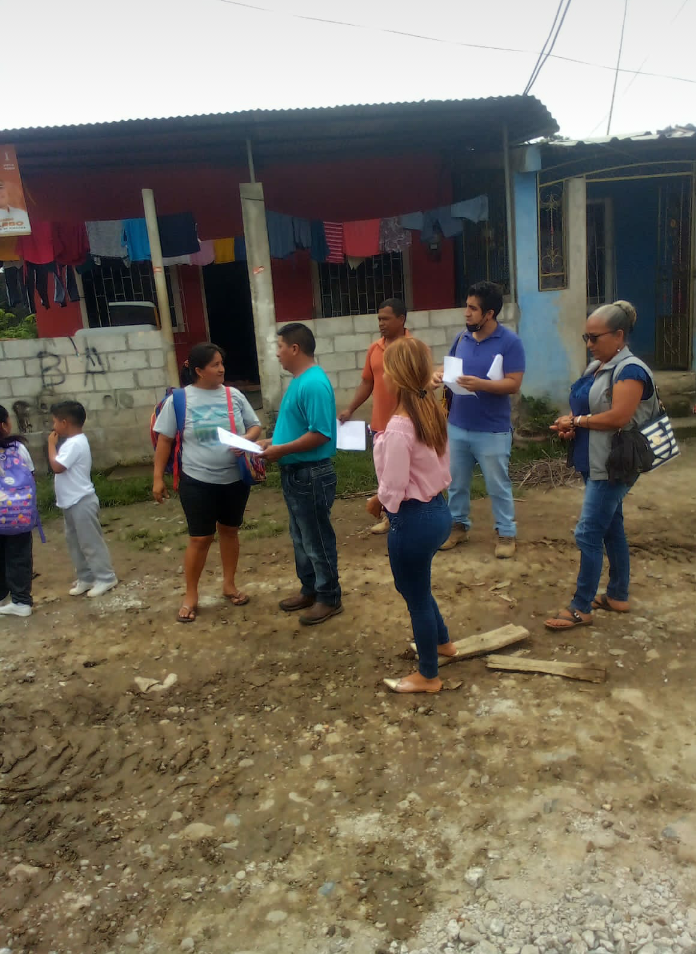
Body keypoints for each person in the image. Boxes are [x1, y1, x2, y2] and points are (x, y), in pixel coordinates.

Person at [545, 301, 660, 630]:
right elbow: (589, 410)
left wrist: (578, 421)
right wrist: (572, 425)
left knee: (588, 532)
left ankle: (581, 606)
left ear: (619, 335)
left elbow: (618, 417)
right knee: (611, 526)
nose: (589, 344)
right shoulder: (598, 366)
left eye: (595, 338)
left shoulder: (631, 371)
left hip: (614, 465)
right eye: (587, 337)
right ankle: (617, 594)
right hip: (594, 459)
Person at [367, 337, 455, 694]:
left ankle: (429, 676)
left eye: (387, 370)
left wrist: (378, 502)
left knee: (414, 595)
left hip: (413, 519)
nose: (384, 376)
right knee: (416, 586)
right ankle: (443, 643)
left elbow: (394, 484)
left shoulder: (400, 426)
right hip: (438, 511)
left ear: (398, 376)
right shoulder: (430, 411)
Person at [152, 343, 262, 623]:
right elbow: (165, 440)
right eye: (215, 365)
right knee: (200, 538)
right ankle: (191, 595)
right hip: (196, 480)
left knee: (230, 531)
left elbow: (255, 426)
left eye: (222, 363)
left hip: (235, 479)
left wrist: (245, 440)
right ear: (199, 371)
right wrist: (157, 478)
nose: (222, 369)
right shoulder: (179, 400)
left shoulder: (234, 395)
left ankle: (229, 585)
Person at [434, 280, 525, 558]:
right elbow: (448, 366)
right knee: (456, 483)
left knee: (498, 485)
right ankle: (458, 526)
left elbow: (514, 384)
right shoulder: (461, 338)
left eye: (473, 308)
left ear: (489, 314)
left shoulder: (510, 342)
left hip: (492, 430)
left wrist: (481, 384)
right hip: (458, 426)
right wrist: (438, 375)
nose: (467, 312)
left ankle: (506, 533)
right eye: (467, 306)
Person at [258, 323, 341, 626]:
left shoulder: (313, 384)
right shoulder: (299, 382)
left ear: (294, 348)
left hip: (311, 473)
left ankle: (329, 596)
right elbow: (298, 428)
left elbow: (321, 433)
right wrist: (271, 442)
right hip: (297, 472)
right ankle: (311, 589)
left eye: (280, 346)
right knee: (301, 537)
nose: (277, 353)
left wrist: (281, 449)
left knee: (316, 539)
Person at [339, 298, 412, 534]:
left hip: (408, 427)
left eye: (386, 319)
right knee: (384, 476)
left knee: (408, 475)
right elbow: (367, 383)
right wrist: (350, 409)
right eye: (379, 319)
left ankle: (411, 518)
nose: (381, 323)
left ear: (401, 319)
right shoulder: (374, 348)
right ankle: (391, 518)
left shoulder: (413, 348)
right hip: (381, 426)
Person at [47, 401, 118, 598]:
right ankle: (86, 577)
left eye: (54, 421)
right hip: (70, 502)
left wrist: (51, 445)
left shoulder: (75, 443)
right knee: (75, 542)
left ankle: (106, 577)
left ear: (64, 422)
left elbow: (57, 467)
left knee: (90, 542)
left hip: (81, 501)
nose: (53, 426)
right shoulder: (72, 442)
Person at [0, 405, 36, 618]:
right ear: (5, 425)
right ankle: (21, 601)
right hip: (17, 514)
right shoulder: (18, 447)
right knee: (19, 555)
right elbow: (30, 475)